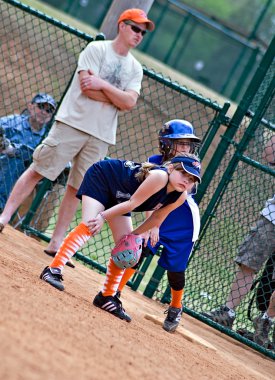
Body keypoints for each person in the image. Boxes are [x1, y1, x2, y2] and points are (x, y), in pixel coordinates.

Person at [0, 8, 155, 265]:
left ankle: (56, 242)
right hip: (73, 122)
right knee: (40, 169)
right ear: (122, 26)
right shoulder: (97, 50)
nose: (139, 35)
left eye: (143, 31)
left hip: (101, 134)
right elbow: (86, 88)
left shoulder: (135, 69)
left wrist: (104, 86)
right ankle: (4, 217)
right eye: (136, 28)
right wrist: (116, 97)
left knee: (78, 188)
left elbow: (129, 103)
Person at [40, 153, 201, 323]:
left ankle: (106, 296)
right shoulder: (160, 177)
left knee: (126, 248)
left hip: (120, 196)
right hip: (102, 178)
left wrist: (132, 237)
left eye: (191, 179)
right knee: (90, 224)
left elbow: (156, 219)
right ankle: (52, 270)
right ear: (170, 168)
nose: (186, 181)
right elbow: (132, 204)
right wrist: (102, 217)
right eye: (183, 173)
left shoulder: (180, 196)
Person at [116, 119, 202, 332]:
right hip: (158, 215)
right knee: (140, 248)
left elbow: (174, 200)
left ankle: (175, 306)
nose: (185, 148)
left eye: (187, 144)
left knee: (175, 269)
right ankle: (115, 290)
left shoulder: (188, 167)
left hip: (183, 224)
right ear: (165, 143)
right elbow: (150, 198)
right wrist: (150, 226)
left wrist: (156, 225)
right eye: (180, 143)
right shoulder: (154, 162)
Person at [202, 135, 275, 343]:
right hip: (272, 217)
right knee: (248, 263)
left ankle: (265, 322)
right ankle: (228, 313)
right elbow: (269, 155)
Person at [0, 93, 56, 211]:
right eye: (41, 107)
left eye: (49, 110)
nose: (44, 112)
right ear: (30, 106)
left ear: (51, 116)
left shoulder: (50, 137)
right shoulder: (14, 121)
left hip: (24, 170)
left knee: (15, 160)